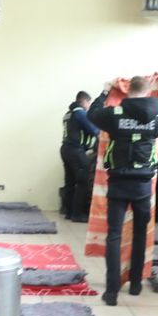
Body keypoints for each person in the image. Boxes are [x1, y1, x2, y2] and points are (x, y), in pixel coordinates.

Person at [86, 73, 158, 305]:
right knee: (139, 234)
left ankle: (111, 292)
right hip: (143, 187)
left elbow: (92, 113)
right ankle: (136, 284)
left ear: (128, 92)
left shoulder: (114, 114)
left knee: (114, 235)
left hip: (118, 184)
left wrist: (105, 91)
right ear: (148, 91)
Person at [58, 90, 100, 221]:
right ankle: (77, 214)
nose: (89, 106)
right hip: (76, 151)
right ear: (85, 101)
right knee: (83, 181)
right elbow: (94, 130)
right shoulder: (80, 113)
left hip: (65, 149)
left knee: (70, 182)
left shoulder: (68, 114)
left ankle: (68, 212)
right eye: (89, 103)